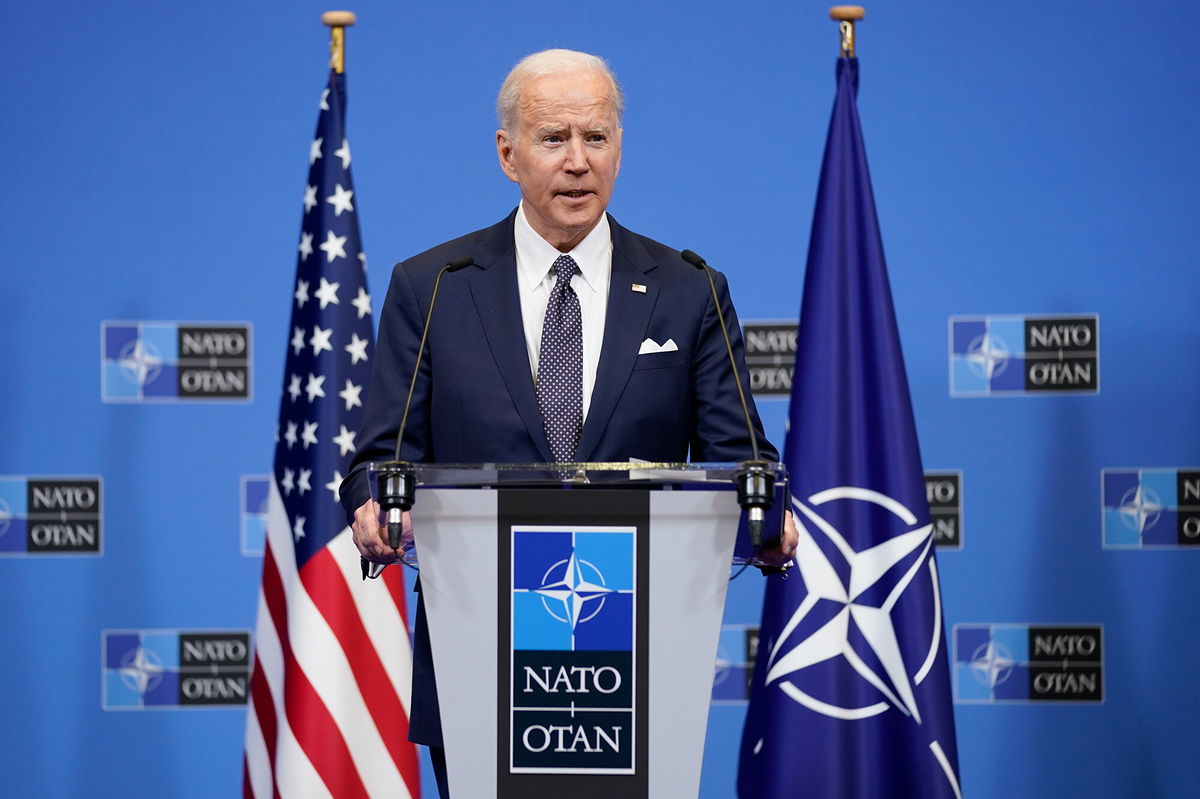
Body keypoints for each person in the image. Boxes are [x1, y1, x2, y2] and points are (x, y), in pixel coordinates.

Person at [341, 48, 797, 798]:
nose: (579, 162)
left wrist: (769, 514)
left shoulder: (689, 291)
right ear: (507, 153)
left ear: (621, 147)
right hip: (475, 652)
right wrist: (369, 504)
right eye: (555, 138)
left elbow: (743, 458)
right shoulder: (433, 288)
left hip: (640, 658)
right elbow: (378, 456)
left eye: (598, 137)